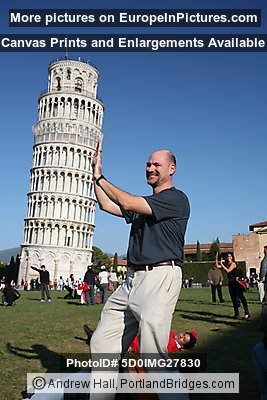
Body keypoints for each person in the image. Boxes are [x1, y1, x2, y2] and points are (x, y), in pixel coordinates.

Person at [89, 139, 190, 400]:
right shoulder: (146, 204)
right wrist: (94, 175)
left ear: (172, 169)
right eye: (148, 164)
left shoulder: (175, 199)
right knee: (102, 342)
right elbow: (108, 205)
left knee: (153, 355)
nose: (150, 168)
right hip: (132, 279)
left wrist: (102, 177)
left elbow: (127, 202)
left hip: (159, 276)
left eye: (157, 164)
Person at [83, 324, 199, 352]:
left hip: (136, 342)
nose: (181, 336)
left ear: (182, 345)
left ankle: (93, 337)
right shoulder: (173, 338)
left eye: (183, 339)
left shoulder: (170, 344)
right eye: (184, 334)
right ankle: (93, 337)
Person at [219, 253, 250, 319]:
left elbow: (228, 270)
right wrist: (217, 261)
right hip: (231, 283)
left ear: (232, 257)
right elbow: (218, 266)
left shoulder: (233, 264)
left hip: (237, 283)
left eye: (230, 256)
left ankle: (247, 313)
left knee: (241, 297)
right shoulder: (227, 264)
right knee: (234, 299)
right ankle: (237, 314)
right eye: (228, 256)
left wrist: (222, 264)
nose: (229, 257)